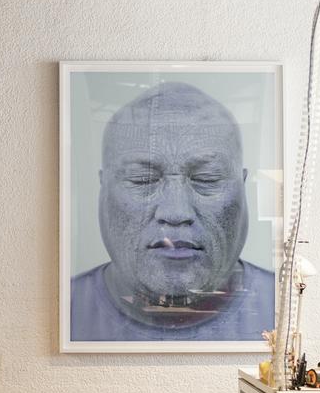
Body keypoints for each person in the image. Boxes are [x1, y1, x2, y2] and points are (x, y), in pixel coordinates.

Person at [71, 82, 274, 341]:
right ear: (104, 188)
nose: (176, 213)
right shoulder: (67, 309)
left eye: (207, 178)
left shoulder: (284, 307)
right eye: (142, 180)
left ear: (242, 187)